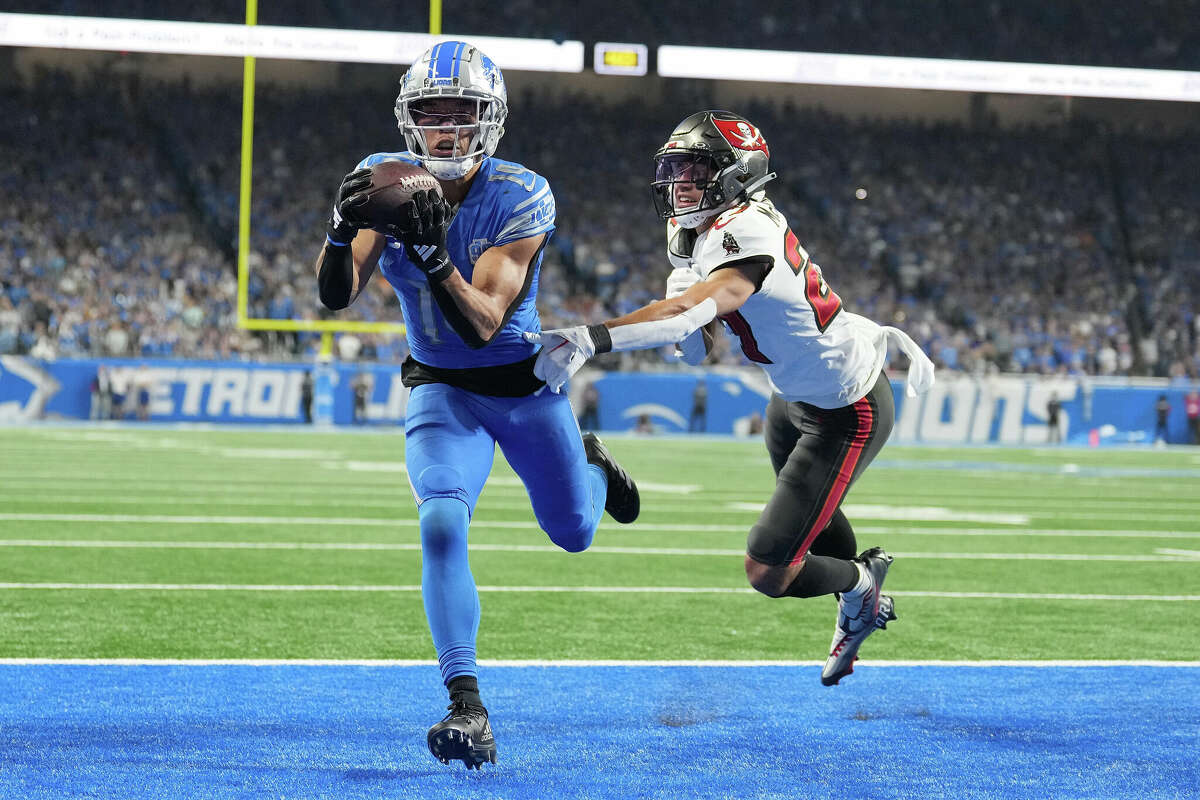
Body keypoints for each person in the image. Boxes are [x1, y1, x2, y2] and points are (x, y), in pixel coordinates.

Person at [312, 40, 639, 770]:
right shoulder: (384, 179)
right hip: (441, 387)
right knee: (438, 522)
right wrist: (339, 231)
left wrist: (432, 258)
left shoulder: (522, 192)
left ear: (491, 121)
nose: (448, 128)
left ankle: (591, 465)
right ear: (409, 119)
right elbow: (337, 294)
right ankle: (467, 704)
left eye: (464, 113)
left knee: (575, 533)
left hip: (521, 390)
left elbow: (485, 320)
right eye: (433, 112)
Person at [526, 110, 935, 687]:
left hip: (848, 406)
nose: (681, 183)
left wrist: (593, 337)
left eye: (695, 170)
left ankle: (862, 588)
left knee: (768, 568)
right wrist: (686, 322)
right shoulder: (701, 229)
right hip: (791, 398)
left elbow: (684, 316)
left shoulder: (747, 231)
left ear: (738, 174)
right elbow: (699, 342)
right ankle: (860, 592)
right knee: (811, 529)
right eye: (676, 169)